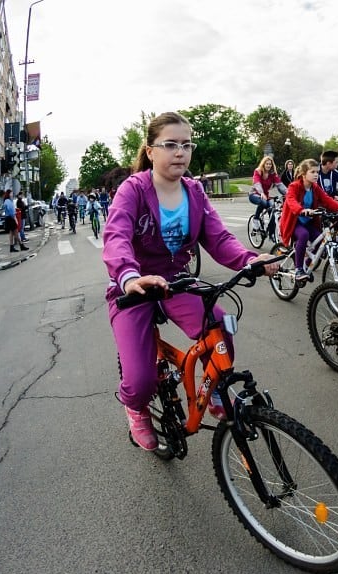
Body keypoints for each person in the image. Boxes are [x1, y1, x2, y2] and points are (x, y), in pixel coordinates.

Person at [102, 111, 279, 451]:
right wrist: (128, 276)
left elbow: (218, 238)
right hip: (135, 286)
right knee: (140, 382)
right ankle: (136, 408)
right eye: (170, 144)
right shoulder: (133, 190)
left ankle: (212, 393)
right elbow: (116, 237)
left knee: (220, 327)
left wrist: (250, 260)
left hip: (176, 281)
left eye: (186, 145)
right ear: (151, 150)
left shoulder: (194, 191)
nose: (180, 152)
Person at [279, 158, 338, 282]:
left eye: (317, 172)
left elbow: (327, 200)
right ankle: (299, 268)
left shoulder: (315, 187)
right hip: (294, 222)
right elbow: (291, 200)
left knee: (320, 241)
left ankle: (306, 265)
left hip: (308, 222)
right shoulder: (294, 186)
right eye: (312, 172)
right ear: (304, 174)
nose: (316, 174)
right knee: (303, 235)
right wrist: (301, 210)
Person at [248, 156, 286, 240]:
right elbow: (257, 183)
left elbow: (280, 185)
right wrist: (261, 192)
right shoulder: (258, 171)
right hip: (254, 194)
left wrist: (289, 193)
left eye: (270, 164)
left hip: (266, 196)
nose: (268, 165)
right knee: (264, 202)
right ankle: (256, 219)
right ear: (263, 164)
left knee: (273, 211)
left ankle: (271, 234)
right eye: (267, 163)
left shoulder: (272, 174)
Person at [2, 189, 26, 254]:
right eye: (11, 193)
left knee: (11, 233)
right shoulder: (8, 201)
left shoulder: (7, 201)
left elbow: (4, 208)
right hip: (10, 218)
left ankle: (12, 247)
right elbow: (11, 211)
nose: (12, 194)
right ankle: (21, 245)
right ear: (9, 194)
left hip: (8, 218)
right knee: (16, 233)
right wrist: (15, 219)